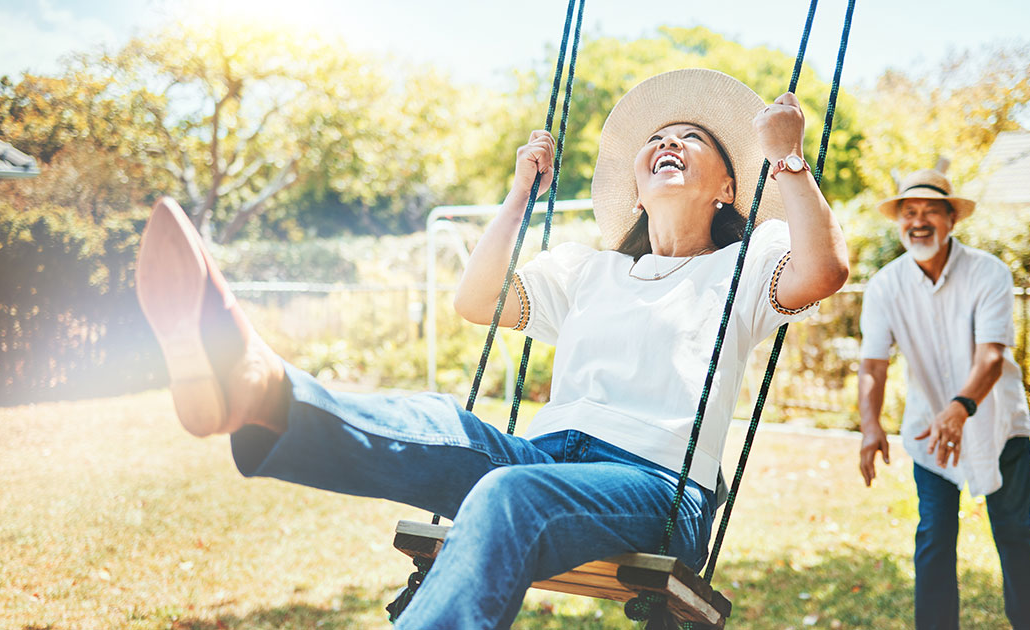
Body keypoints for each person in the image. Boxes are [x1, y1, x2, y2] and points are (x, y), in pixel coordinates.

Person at [135, 68, 848, 629]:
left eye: (693, 138)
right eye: (656, 140)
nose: (669, 143)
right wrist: (517, 196)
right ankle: (263, 391)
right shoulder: (585, 270)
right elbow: (477, 301)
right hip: (547, 456)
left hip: (658, 489)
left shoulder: (749, 262)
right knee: (449, 427)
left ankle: (264, 393)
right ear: (632, 192)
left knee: (509, 493)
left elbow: (825, 272)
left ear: (729, 186)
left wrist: (786, 161)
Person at [856, 164, 1030, 630]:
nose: (918, 222)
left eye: (930, 212)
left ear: (951, 219)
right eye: (909, 212)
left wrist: (960, 408)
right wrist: (870, 425)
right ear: (898, 220)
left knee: (1014, 535)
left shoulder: (989, 273)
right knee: (935, 539)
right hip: (930, 430)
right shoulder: (885, 286)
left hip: (998, 424)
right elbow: (872, 365)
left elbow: (991, 358)